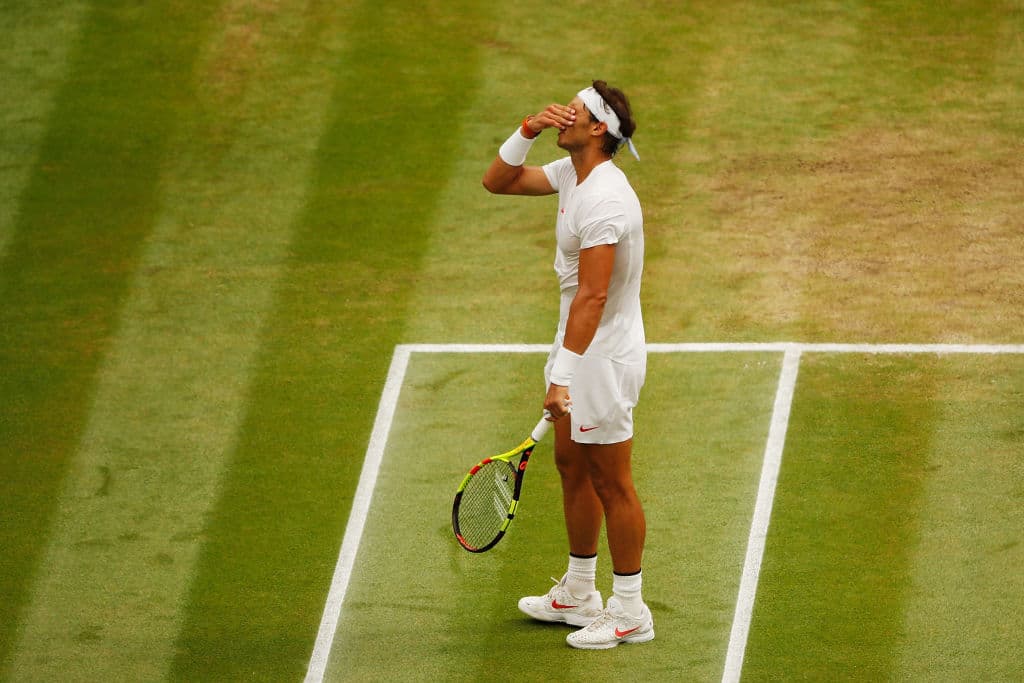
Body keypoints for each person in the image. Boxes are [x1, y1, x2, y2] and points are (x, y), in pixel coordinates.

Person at [481, 80, 652, 650]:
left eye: (573, 112)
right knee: (571, 466)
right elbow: (498, 181)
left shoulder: (605, 199)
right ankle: (580, 591)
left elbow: (594, 297)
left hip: (600, 355)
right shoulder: (572, 175)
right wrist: (526, 130)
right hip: (577, 343)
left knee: (611, 480)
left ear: (598, 129)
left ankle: (630, 610)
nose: (563, 116)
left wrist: (563, 374)